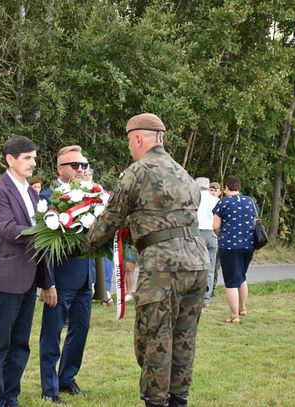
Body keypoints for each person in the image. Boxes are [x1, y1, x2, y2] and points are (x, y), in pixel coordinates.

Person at [84, 113, 209, 407]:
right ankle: (179, 399)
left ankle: (156, 401)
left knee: (153, 338)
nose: (130, 147)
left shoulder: (138, 171)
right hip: (198, 263)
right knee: (184, 337)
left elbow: (112, 216)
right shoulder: (184, 173)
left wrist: (83, 245)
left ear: (139, 138)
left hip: (163, 267)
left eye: (130, 141)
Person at [0, 135, 56, 407]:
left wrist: (48, 282)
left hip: (28, 280)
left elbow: (42, 247)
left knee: (20, 344)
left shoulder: (34, 193)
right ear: (10, 159)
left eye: (34, 158)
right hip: (4, 279)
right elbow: (9, 230)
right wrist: (49, 229)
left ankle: (11, 396)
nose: (32, 163)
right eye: (27, 158)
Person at [39, 145, 96, 404]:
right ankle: (49, 388)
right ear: (60, 168)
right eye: (75, 165)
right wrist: (47, 282)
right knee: (51, 334)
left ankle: (67, 379)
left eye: (83, 165)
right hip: (60, 278)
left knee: (80, 330)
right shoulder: (48, 198)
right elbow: (42, 247)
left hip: (84, 276)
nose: (81, 170)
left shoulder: (92, 196)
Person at [212, 175, 256, 323]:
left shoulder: (223, 203)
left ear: (225, 188)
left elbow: (216, 226)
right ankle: (242, 308)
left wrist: (222, 235)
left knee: (231, 281)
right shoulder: (250, 201)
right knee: (241, 276)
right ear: (239, 187)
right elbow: (254, 220)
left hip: (229, 246)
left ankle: (234, 315)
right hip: (248, 245)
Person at [195, 177, 219, 307]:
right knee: (210, 268)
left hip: (197, 233)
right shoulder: (216, 200)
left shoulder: (194, 199)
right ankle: (206, 298)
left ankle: (194, 294)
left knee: (195, 265)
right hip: (212, 233)